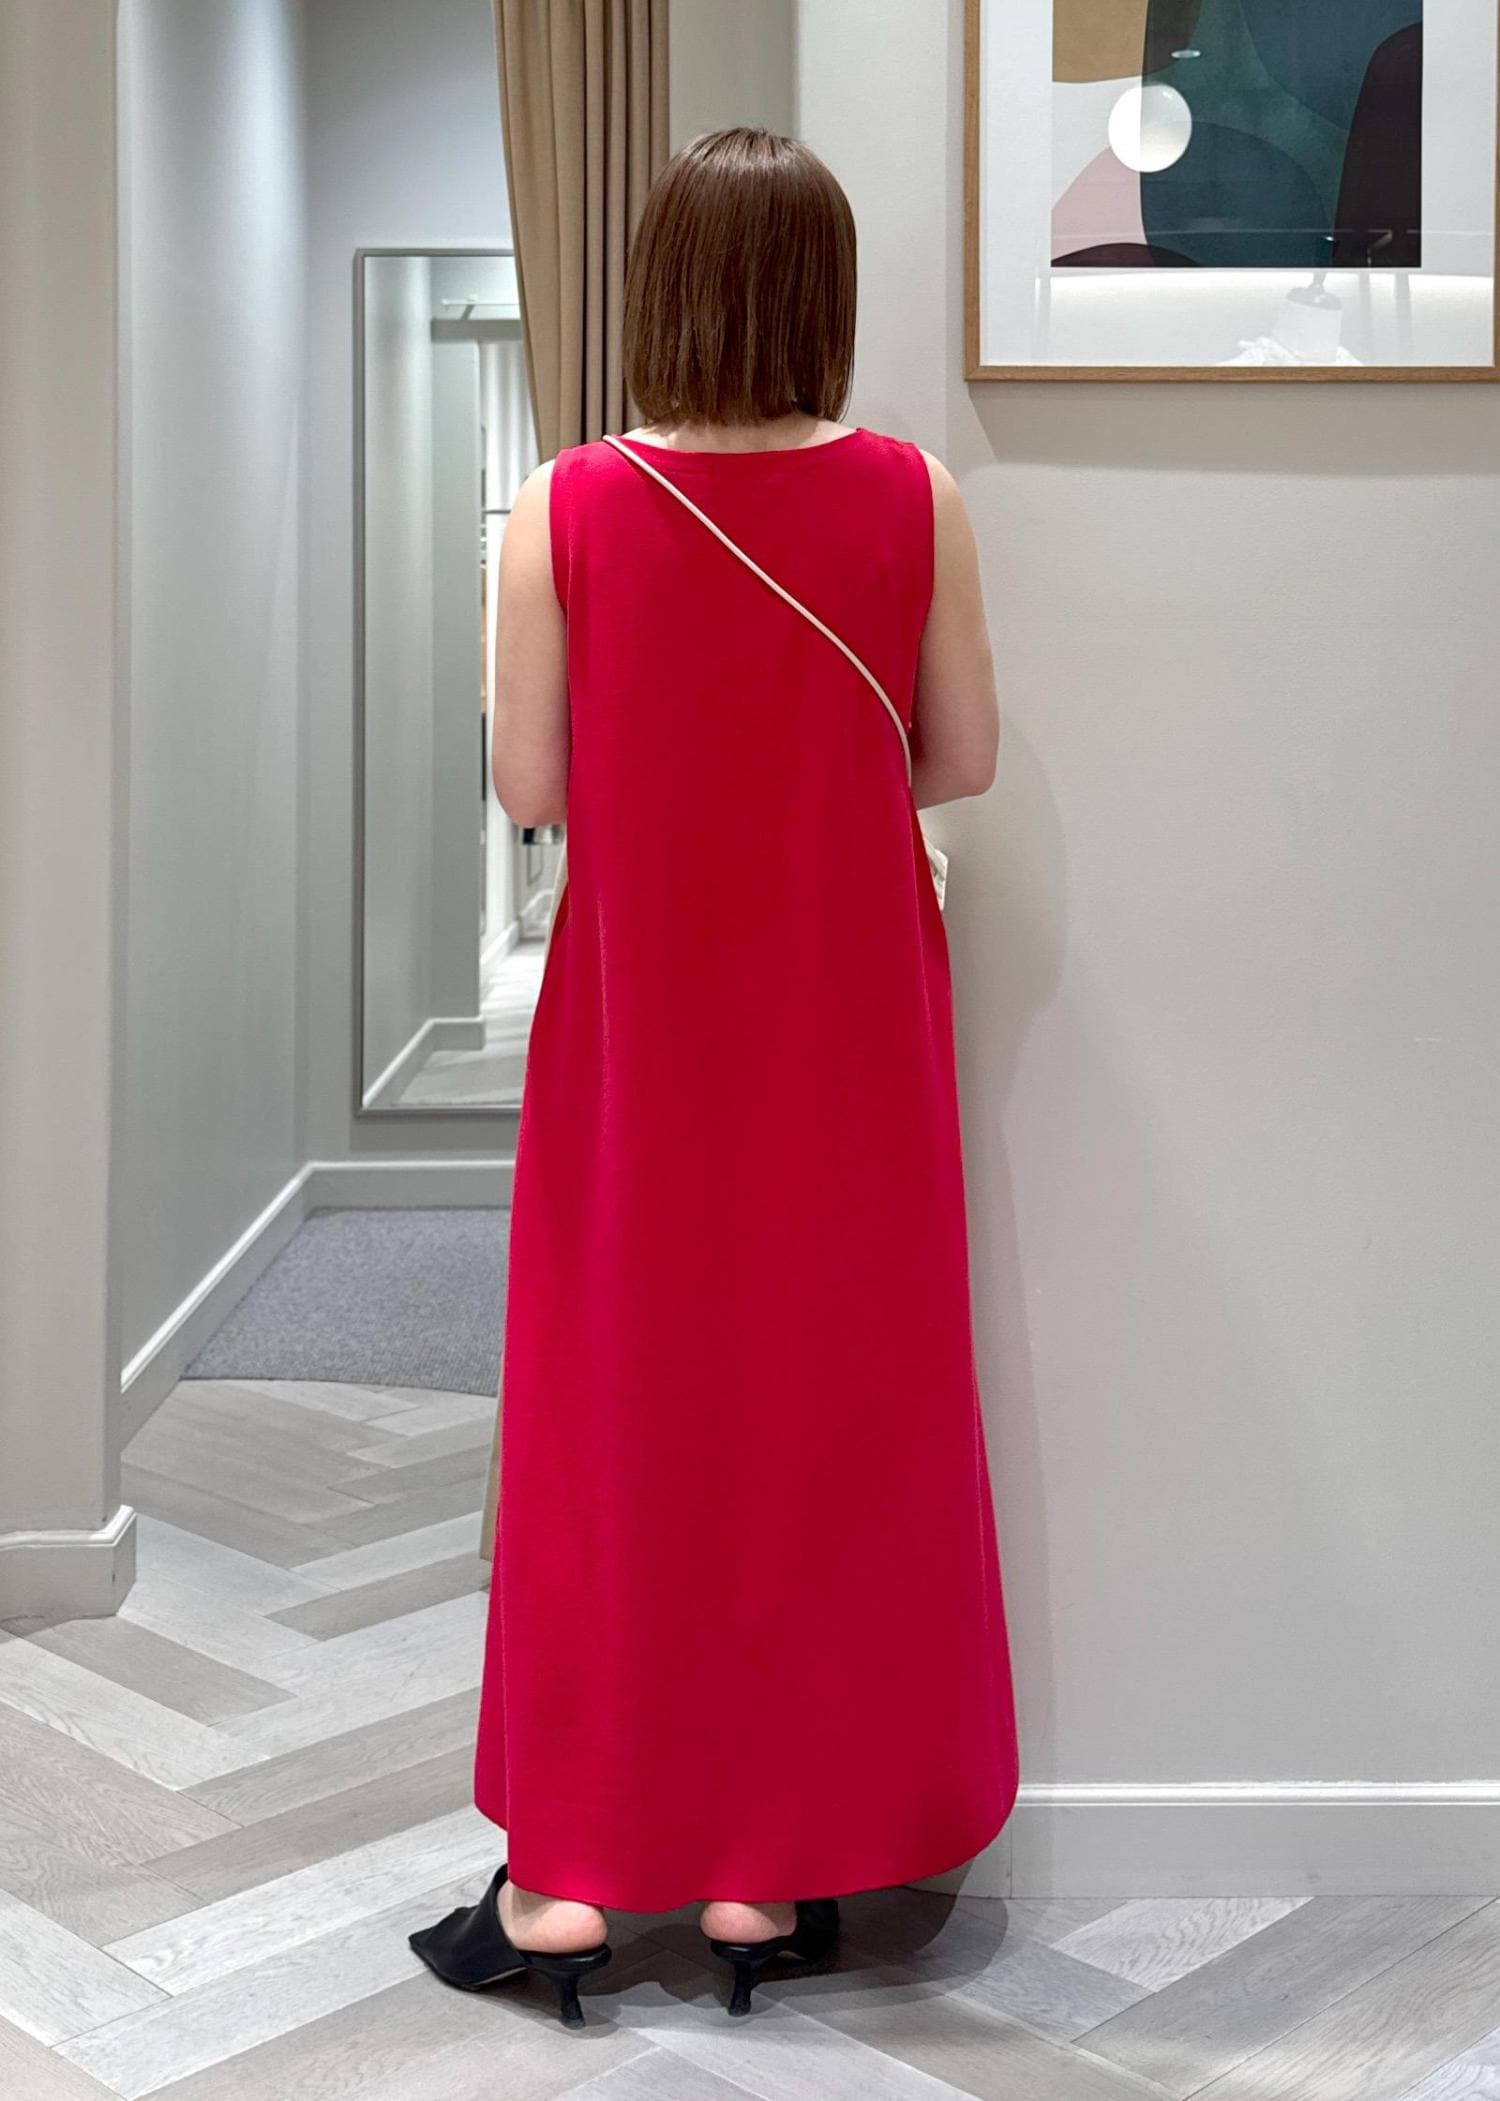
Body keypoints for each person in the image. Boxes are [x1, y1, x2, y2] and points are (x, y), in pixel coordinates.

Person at [409, 124, 1020, 2028]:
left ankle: (572, 1879)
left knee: (619, 1412)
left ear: (660, 288)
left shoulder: (566, 506)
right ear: (823, 294)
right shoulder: (915, 495)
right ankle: (766, 1870)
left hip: (643, 1029)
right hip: (847, 1020)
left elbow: (531, 788)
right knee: (821, 1412)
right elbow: (961, 757)